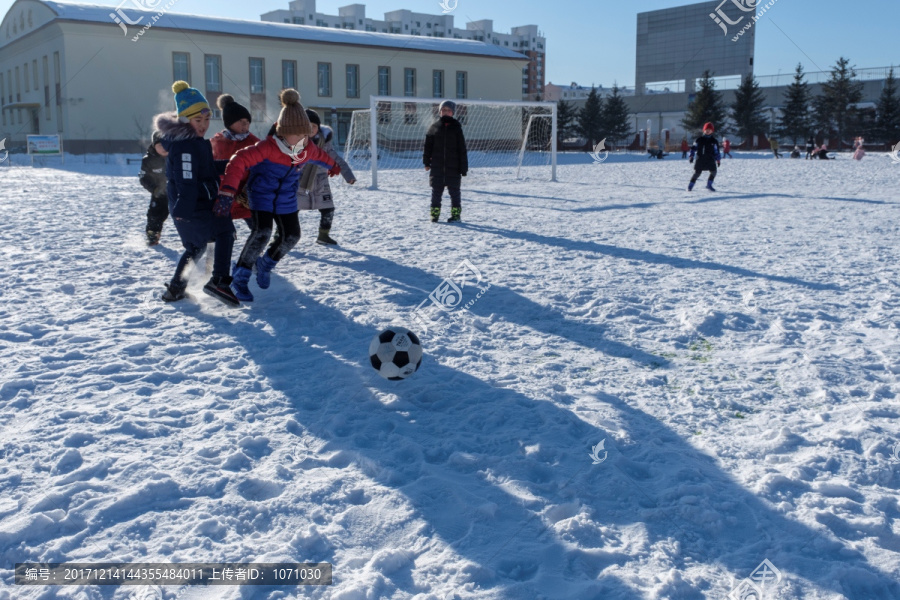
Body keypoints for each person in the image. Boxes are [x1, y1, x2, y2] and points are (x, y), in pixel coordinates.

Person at [217, 89, 339, 302]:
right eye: (298, 134)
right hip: (261, 195)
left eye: (306, 135)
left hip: (286, 197)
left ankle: (265, 264)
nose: (303, 139)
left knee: (292, 236)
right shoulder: (267, 147)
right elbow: (239, 161)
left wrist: (333, 165)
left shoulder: (306, 148)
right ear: (283, 132)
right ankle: (241, 276)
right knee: (262, 232)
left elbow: (319, 155)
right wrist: (228, 190)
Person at [155, 81, 239, 306]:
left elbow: (207, 170)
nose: (203, 125)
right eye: (198, 120)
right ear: (185, 120)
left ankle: (175, 289)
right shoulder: (185, 146)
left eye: (207, 119)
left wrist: (232, 165)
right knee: (224, 230)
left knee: (196, 247)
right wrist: (183, 209)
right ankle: (219, 281)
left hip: (195, 202)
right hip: (190, 205)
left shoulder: (195, 142)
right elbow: (187, 180)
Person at [297, 109, 356, 246]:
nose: (311, 129)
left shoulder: (325, 144)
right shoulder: (296, 143)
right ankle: (281, 234)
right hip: (299, 181)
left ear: (318, 127)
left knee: (328, 208)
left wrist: (348, 176)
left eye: (314, 126)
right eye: (308, 125)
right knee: (291, 209)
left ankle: (324, 235)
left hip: (321, 182)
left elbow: (338, 160)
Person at [210, 94, 260, 226]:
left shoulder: (254, 143)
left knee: (258, 228)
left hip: (245, 196)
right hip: (224, 195)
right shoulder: (217, 141)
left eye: (247, 122)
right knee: (221, 231)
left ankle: (256, 247)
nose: (245, 125)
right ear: (230, 123)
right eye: (241, 122)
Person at [423, 99, 468, 223]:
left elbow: (462, 149)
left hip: (453, 167)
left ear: (453, 112)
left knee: (455, 194)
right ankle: (434, 215)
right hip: (437, 167)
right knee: (436, 194)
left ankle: (456, 215)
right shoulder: (434, 127)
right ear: (440, 112)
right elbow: (428, 146)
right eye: (443, 110)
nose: (446, 112)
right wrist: (426, 162)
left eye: (448, 110)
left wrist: (463, 168)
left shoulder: (457, 128)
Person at [139, 130, 168, 246]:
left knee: (185, 215)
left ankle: (194, 236)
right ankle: (153, 235)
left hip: (178, 192)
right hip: (159, 193)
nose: (164, 147)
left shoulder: (176, 156)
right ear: (154, 145)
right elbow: (143, 178)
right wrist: (154, 189)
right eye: (160, 144)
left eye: (166, 143)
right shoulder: (148, 160)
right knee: (154, 214)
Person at [687, 122, 721, 192]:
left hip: (710, 159)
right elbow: (693, 148)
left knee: (714, 172)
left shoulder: (714, 141)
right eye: (706, 129)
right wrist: (691, 156)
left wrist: (718, 160)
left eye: (710, 129)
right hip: (700, 159)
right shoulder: (699, 140)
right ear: (704, 130)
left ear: (712, 131)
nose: (708, 131)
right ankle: (690, 186)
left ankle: (709, 184)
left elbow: (716, 151)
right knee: (697, 173)